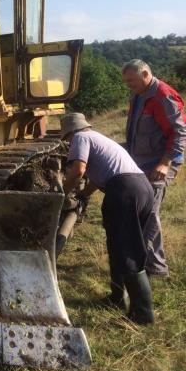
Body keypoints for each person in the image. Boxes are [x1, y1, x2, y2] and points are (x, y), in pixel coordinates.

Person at [61, 113, 156, 324]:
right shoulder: (99, 138)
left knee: (127, 250)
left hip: (124, 191)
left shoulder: (81, 138)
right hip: (142, 188)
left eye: (66, 139)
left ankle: (142, 315)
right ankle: (117, 298)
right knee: (121, 246)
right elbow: (98, 178)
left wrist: (61, 193)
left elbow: (78, 171)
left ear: (70, 133)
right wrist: (84, 194)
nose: (69, 144)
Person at [122, 59, 186, 278]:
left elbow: (179, 133)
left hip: (159, 164)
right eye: (126, 81)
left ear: (145, 74)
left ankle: (157, 269)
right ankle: (145, 260)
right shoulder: (138, 96)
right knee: (141, 211)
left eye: (131, 80)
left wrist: (165, 163)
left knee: (149, 213)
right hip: (141, 162)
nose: (128, 85)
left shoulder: (163, 96)